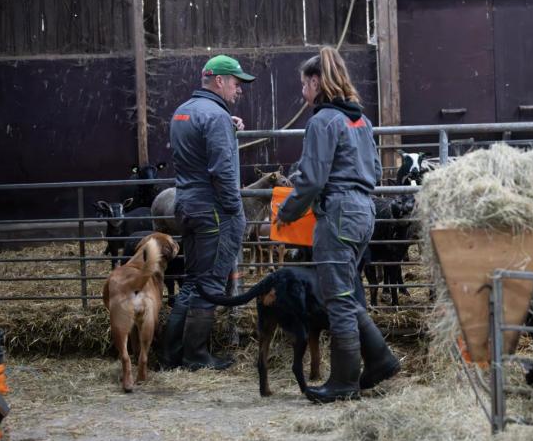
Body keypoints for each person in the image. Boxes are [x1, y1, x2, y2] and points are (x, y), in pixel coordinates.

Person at [276, 46, 400, 403]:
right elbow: (375, 172)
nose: (303, 93)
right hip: (364, 212)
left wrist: (287, 211)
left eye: (304, 85)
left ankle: (344, 381)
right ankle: (380, 359)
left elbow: (313, 179)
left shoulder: (322, 120)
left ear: (316, 82)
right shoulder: (360, 120)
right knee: (346, 291)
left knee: (337, 299)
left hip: (339, 214)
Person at [161, 55, 255, 371]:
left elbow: (197, 149)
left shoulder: (183, 113)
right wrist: (235, 211)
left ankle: (171, 355)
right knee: (211, 283)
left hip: (186, 205)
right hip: (213, 211)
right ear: (219, 81)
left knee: (192, 281)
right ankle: (196, 357)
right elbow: (222, 171)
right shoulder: (214, 117)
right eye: (236, 82)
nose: (239, 89)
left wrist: (224, 125)